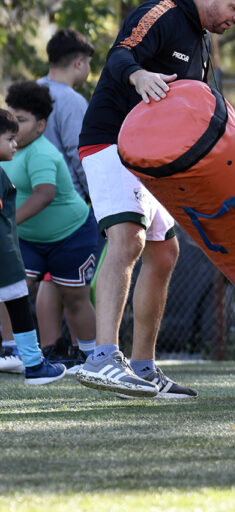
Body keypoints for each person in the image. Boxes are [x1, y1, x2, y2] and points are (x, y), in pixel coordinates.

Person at [75, 0, 235, 398]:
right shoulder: (161, 12)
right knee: (128, 239)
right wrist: (137, 76)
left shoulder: (202, 41)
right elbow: (120, 54)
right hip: (111, 140)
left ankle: (143, 368)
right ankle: (103, 356)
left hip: (154, 156)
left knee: (166, 252)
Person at [4, 81, 99, 375]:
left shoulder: (42, 153)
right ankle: (11, 350)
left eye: (22, 120)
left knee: (74, 297)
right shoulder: (6, 150)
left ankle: (94, 356)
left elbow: (43, 194)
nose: (15, 126)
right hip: (29, 240)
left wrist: (8, 224)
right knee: (8, 289)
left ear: (41, 125)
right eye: (11, 118)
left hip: (71, 236)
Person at [36, 28, 96, 369]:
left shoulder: (31, 92)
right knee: (73, 280)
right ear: (78, 62)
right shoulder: (72, 100)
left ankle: (49, 348)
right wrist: (93, 196)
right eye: (87, 63)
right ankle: (81, 349)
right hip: (68, 201)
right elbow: (79, 153)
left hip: (33, 199)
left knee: (47, 276)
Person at [0, 108, 66, 384]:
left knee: (18, 308)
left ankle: (34, 363)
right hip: (5, 258)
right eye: (9, 139)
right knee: (19, 309)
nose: (15, 144)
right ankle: (35, 366)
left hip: (8, 255)